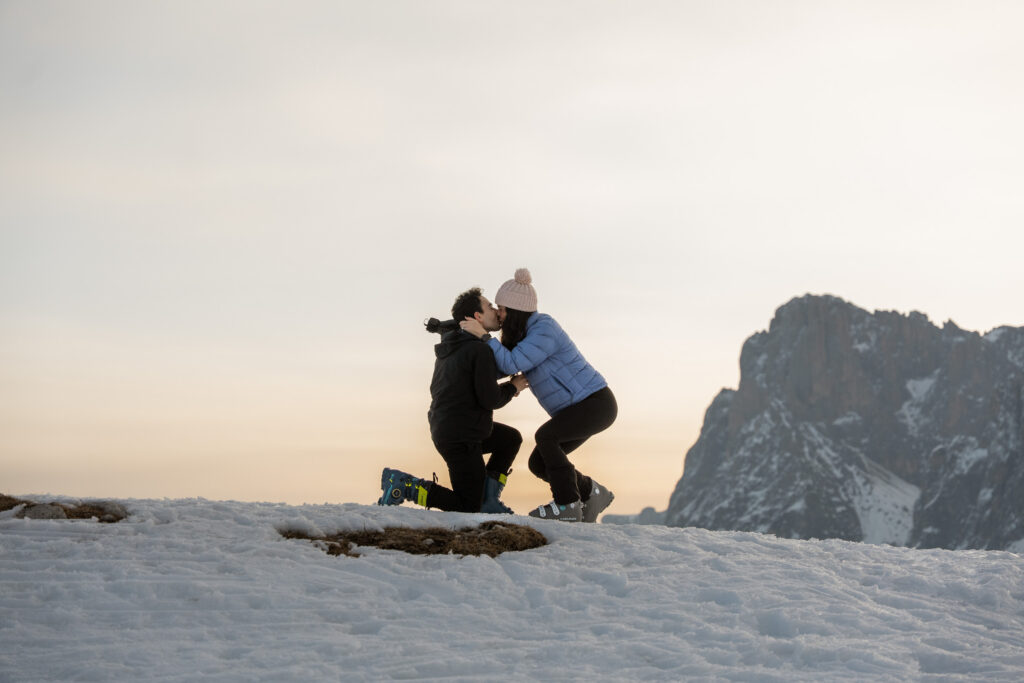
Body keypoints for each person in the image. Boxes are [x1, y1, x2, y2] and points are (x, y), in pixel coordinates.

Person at [460, 268, 617, 523]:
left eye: (502, 308)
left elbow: (511, 363)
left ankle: (567, 505)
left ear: (516, 310)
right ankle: (592, 492)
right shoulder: (522, 336)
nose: (499, 313)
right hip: (575, 409)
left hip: (595, 402)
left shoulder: (544, 329)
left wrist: (485, 337)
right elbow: (500, 366)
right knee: (539, 463)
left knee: (546, 437)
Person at [378, 287, 528, 514]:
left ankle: (489, 500)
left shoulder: (455, 345)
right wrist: (513, 387)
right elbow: (490, 399)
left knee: (509, 439)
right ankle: (404, 486)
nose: (496, 311)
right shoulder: (479, 350)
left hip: (453, 428)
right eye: (489, 307)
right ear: (477, 317)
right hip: (461, 436)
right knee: (468, 507)